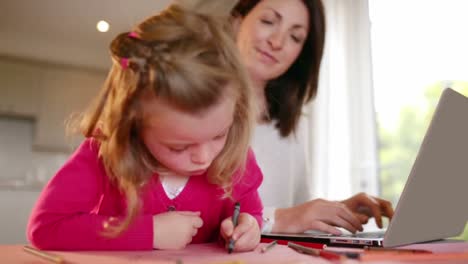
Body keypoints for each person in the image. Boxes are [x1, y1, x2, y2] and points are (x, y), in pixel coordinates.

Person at [27, 1, 263, 251]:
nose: (204, 158)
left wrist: (250, 228)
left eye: (219, 135)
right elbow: (46, 227)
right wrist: (150, 232)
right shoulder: (104, 154)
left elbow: (251, 214)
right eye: (179, 147)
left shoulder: (237, 157)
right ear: (133, 125)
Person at [232, 0, 394, 235]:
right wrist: (290, 216)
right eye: (268, 21)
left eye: (295, 37)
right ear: (236, 22)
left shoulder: (287, 126)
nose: (276, 42)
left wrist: (336, 212)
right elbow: (192, 215)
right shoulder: (195, 109)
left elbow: (294, 218)